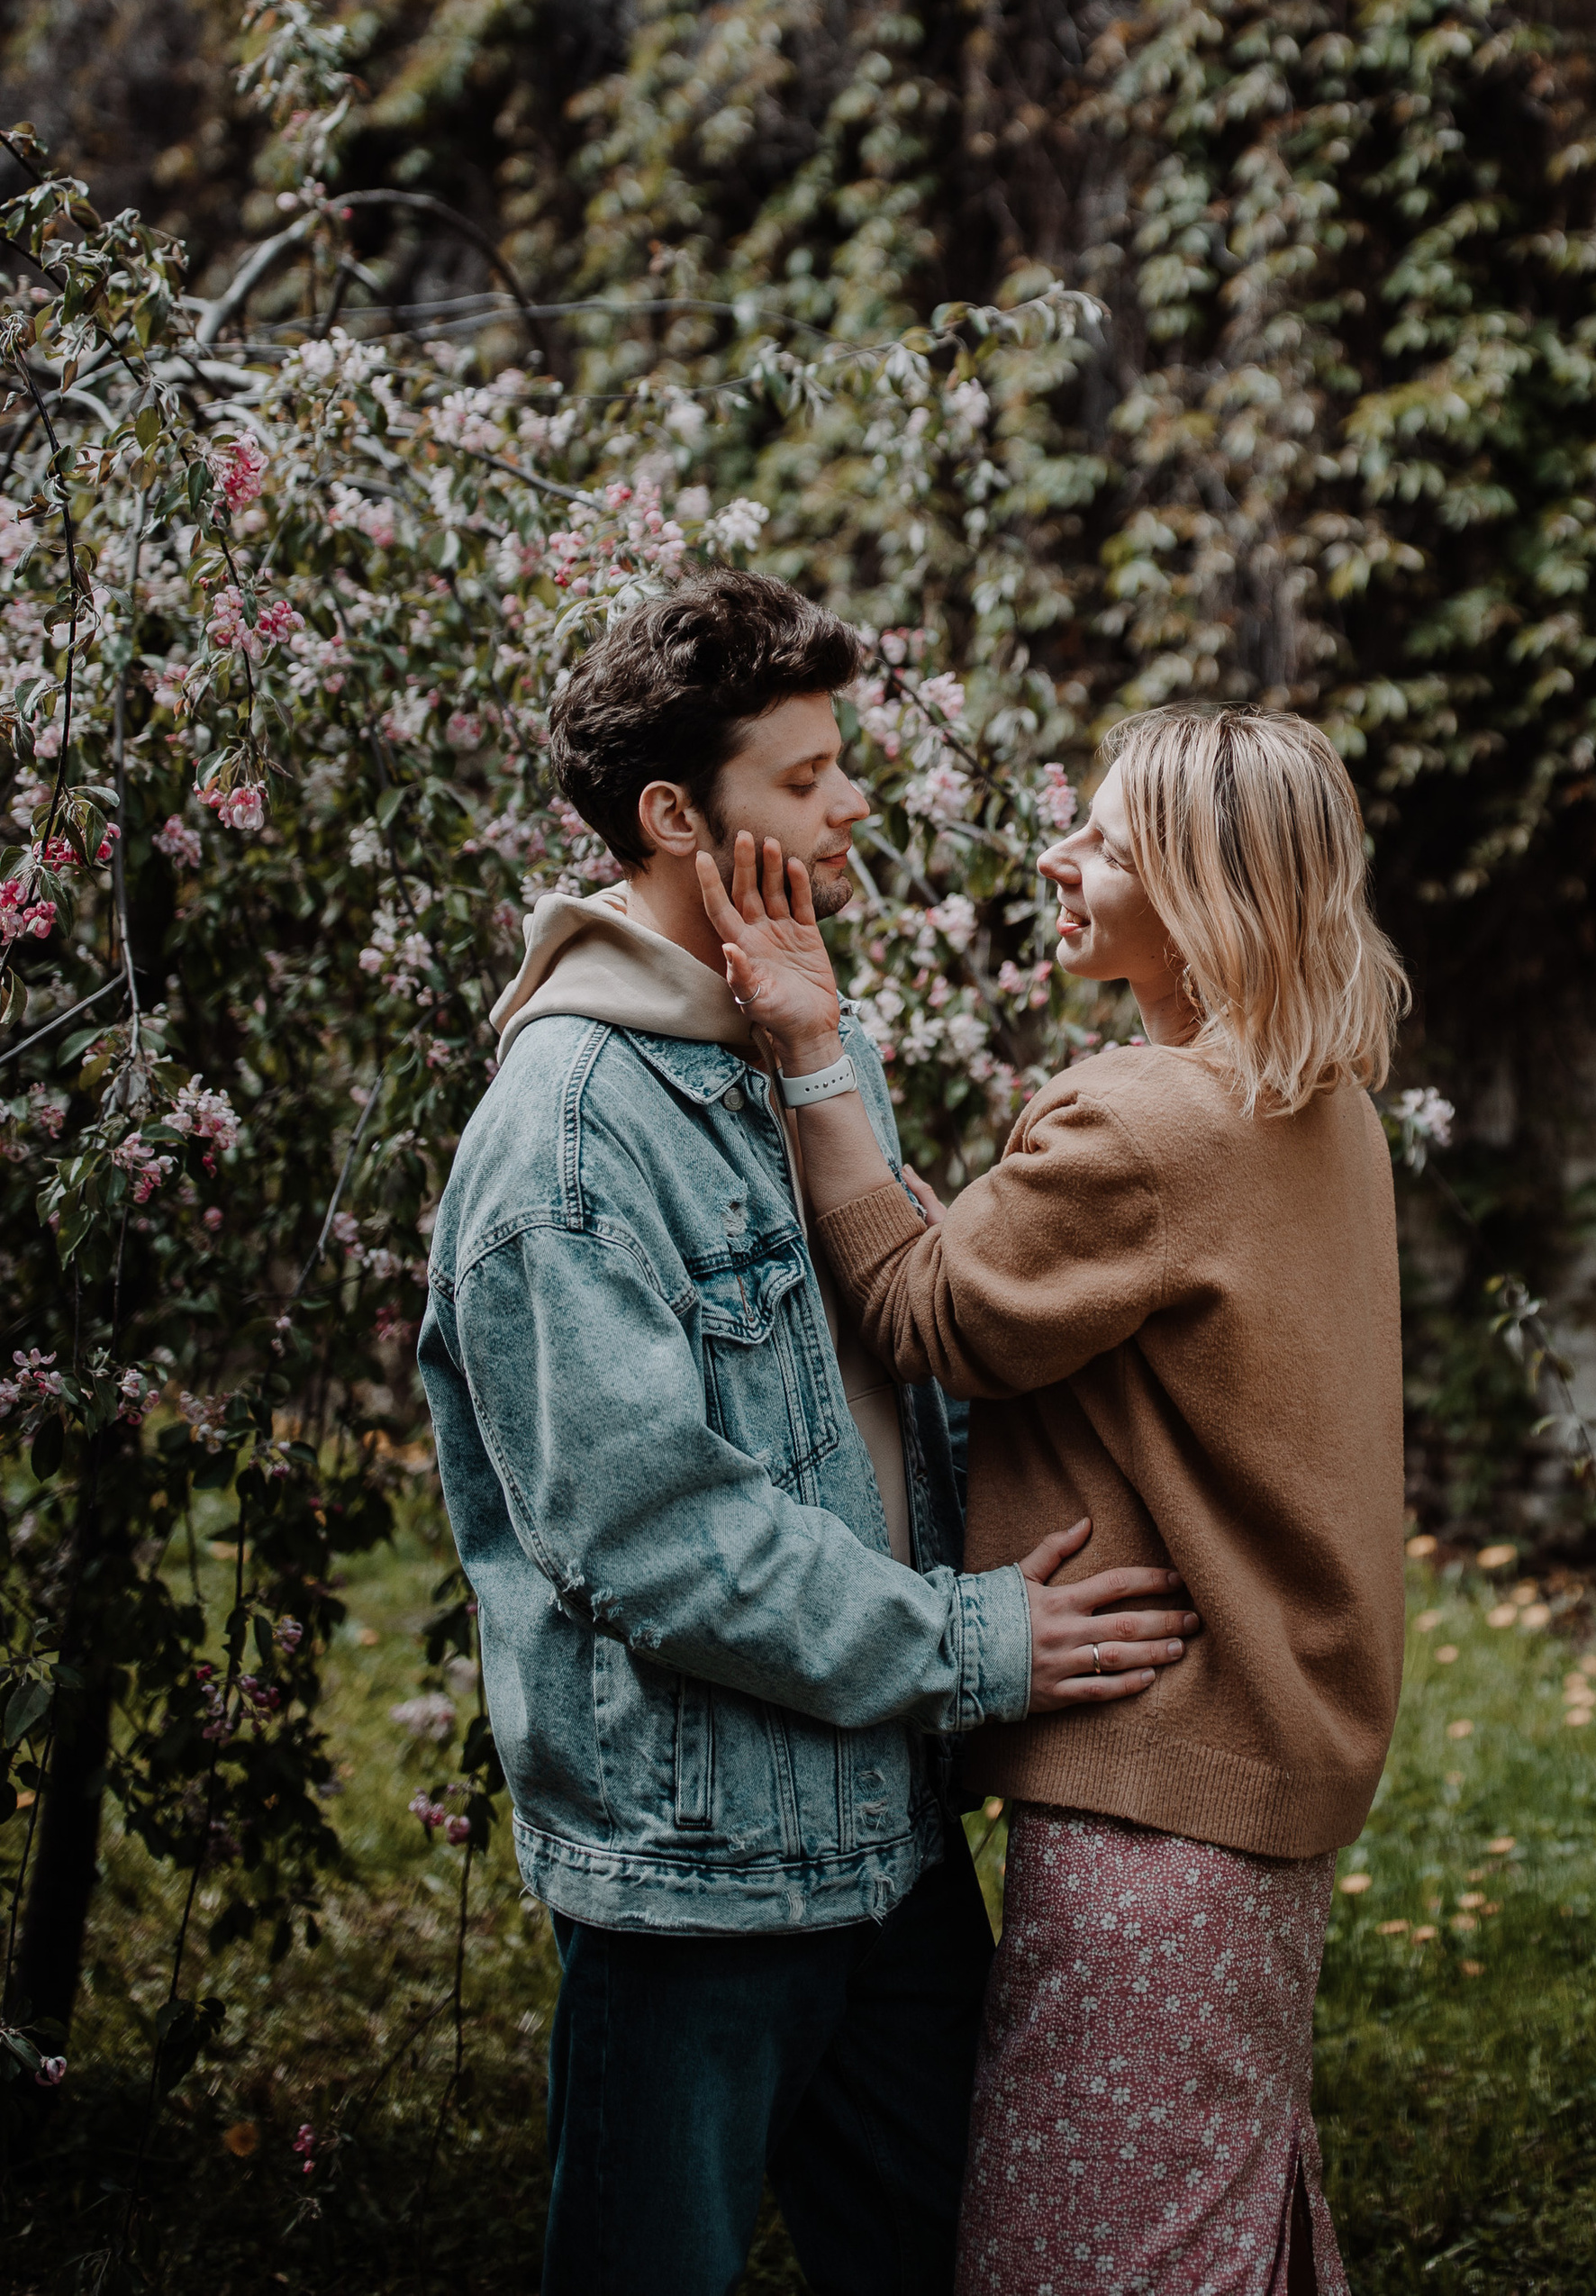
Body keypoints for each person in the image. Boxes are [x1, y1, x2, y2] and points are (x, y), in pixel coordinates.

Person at [418, 571, 1201, 2296]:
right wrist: (976, 1640)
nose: (855, 804)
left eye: (846, 766)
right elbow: (656, 1537)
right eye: (807, 776)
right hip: (695, 1881)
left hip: (884, 1840)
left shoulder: (788, 1044)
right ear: (674, 816)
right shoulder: (563, 1143)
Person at [701, 701, 1408, 2296]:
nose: (1056, 856)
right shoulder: (1321, 1100)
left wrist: (814, 1049)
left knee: (1091, 2253)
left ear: (1208, 889)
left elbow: (929, 1317)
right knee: (1220, 2215)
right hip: (1267, 1772)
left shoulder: (1143, 1122)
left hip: (1157, 1786)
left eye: (1105, 840)